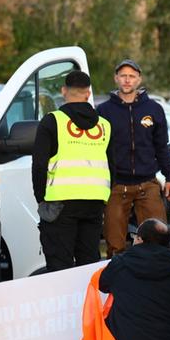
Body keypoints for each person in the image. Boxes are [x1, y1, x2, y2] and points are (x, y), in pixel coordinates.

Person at [31, 70, 115, 272]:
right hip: (94, 203)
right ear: (88, 93)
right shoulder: (104, 126)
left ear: (63, 91)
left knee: (60, 265)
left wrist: (41, 197)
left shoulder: (53, 121)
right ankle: (87, 304)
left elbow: (39, 164)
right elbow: (111, 165)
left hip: (60, 203)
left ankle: (64, 305)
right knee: (89, 264)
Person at [96, 59, 170, 257]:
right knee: (115, 246)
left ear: (139, 79)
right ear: (116, 79)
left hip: (147, 184)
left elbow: (161, 147)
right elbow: (98, 150)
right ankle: (118, 285)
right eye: (123, 76)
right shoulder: (104, 111)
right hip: (116, 185)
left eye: (131, 76)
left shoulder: (154, 109)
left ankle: (156, 284)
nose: (127, 80)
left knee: (158, 241)